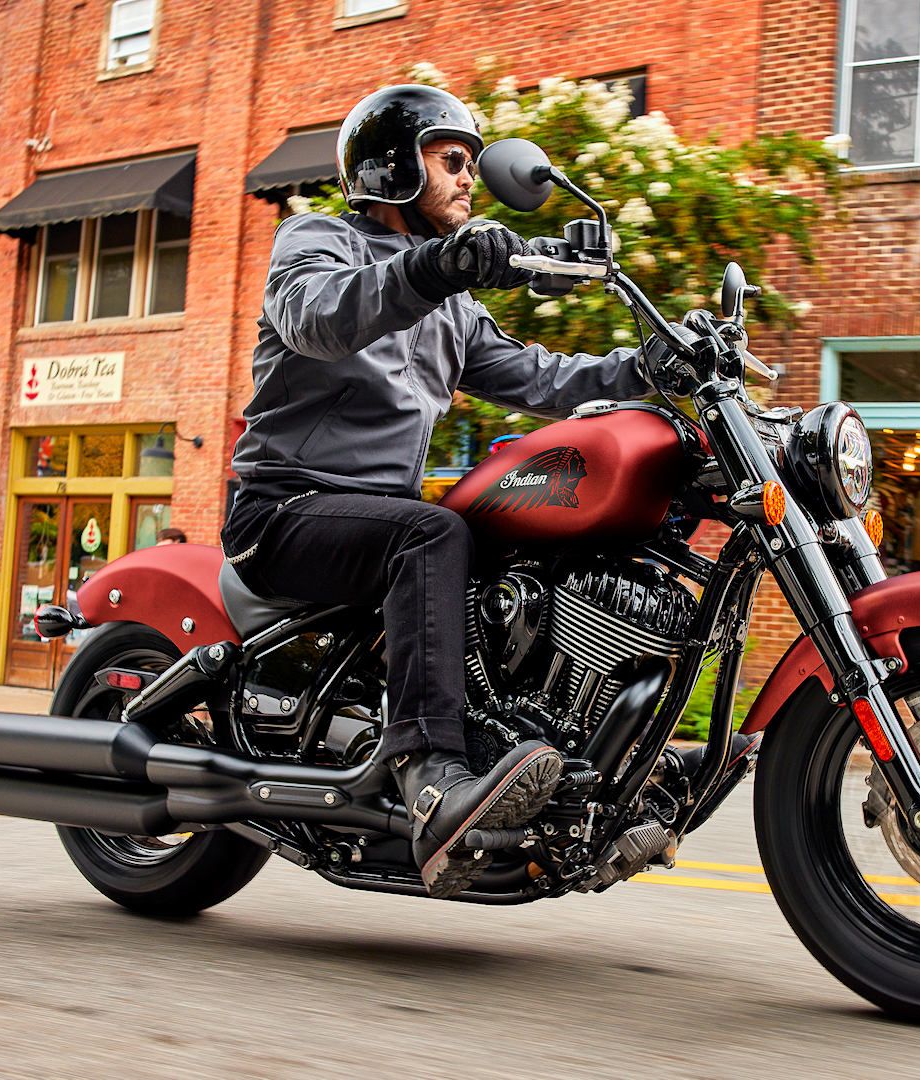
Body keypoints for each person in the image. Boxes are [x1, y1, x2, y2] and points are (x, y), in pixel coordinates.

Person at [221, 85, 669, 898]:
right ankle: (430, 776)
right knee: (432, 531)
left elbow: (543, 378)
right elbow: (319, 319)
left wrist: (649, 370)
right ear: (394, 166)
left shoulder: (451, 307)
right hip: (282, 512)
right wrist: (435, 266)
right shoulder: (315, 240)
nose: (470, 180)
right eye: (452, 161)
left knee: (507, 535)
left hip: (373, 524)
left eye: (469, 165)